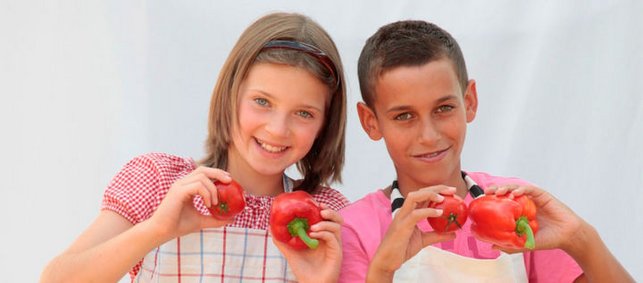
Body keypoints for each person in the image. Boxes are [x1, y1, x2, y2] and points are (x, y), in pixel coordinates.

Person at [41, 12, 349, 283]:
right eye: (262, 101)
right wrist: (158, 228)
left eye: (304, 113)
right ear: (230, 96)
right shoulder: (158, 181)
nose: (277, 129)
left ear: (325, 125)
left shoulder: (326, 216)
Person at [339, 20, 634, 282]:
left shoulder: (516, 205)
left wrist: (581, 239)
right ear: (370, 122)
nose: (428, 136)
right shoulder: (355, 229)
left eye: (444, 108)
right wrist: (382, 271)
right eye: (404, 116)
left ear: (469, 101)